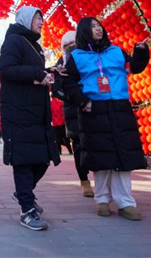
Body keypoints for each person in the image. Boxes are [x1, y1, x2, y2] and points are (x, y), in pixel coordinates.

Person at [62, 17, 149, 221]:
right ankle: (102, 199)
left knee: (123, 156)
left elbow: (133, 67)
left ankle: (126, 202)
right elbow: (67, 83)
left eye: (99, 25)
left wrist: (141, 52)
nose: (98, 29)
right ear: (84, 31)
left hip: (119, 107)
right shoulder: (76, 57)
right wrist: (83, 101)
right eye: (93, 26)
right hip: (94, 110)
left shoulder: (116, 52)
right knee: (101, 158)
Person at [0, 6, 60, 231]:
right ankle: (27, 210)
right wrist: (37, 74)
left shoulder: (34, 45)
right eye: (37, 18)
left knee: (43, 158)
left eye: (42, 18)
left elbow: (31, 72)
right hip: (19, 112)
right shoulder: (14, 41)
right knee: (24, 161)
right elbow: (6, 69)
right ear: (25, 20)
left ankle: (22, 193)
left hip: (36, 113)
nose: (41, 21)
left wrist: (50, 71)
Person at [51, 30, 93, 197]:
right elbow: (56, 89)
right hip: (73, 112)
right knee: (78, 146)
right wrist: (70, 97)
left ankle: (102, 179)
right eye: (68, 46)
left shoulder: (89, 58)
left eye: (74, 43)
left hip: (91, 108)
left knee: (95, 144)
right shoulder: (61, 63)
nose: (72, 47)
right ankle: (84, 180)